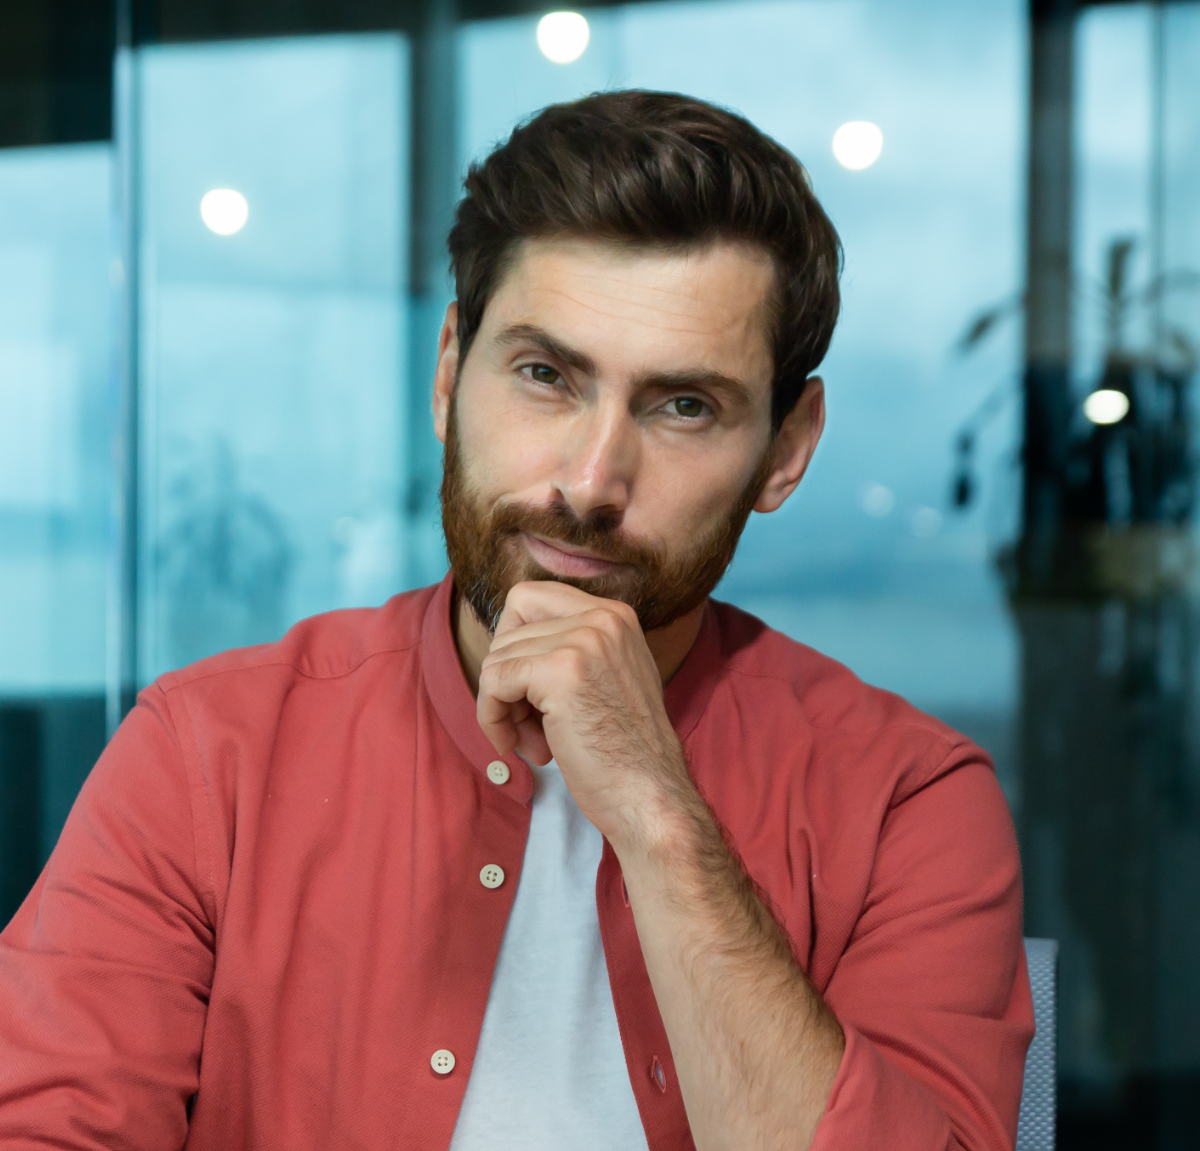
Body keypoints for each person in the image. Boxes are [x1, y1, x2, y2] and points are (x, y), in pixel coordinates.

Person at [0, 90, 1032, 1151]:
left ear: (786, 449)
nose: (590, 481)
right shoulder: (206, 755)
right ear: (451, 373)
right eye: (544, 375)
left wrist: (655, 808)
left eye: (684, 406)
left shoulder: (911, 801)